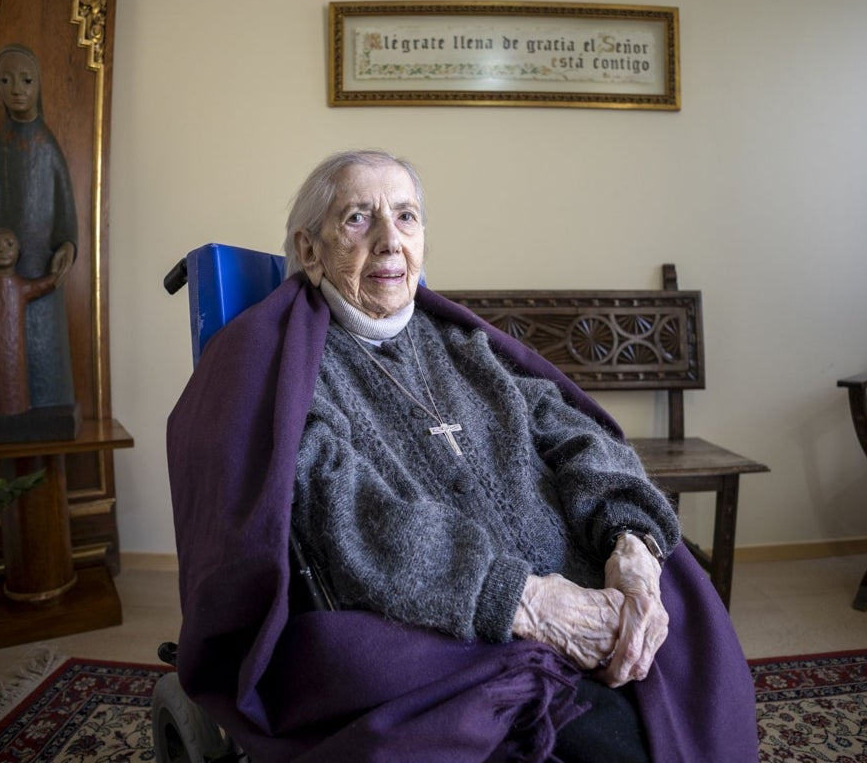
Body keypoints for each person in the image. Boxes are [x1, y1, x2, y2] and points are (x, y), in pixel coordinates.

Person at [166, 150, 758, 762]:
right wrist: (526, 600)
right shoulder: (287, 368)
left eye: (406, 216)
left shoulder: (466, 346)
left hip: (584, 582)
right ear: (309, 249)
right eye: (357, 219)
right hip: (452, 630)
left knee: (693, 660)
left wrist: (631, 544)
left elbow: (579, 436)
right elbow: (345, 515)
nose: (389, 241)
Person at [0, 43, 77, 413]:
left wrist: (67, 247)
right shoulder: (2, 145)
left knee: (46, 361)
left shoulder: (47, 145)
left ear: (39, 85)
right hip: (4, 278)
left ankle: (49, 406)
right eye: (6, 80)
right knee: (7, 359)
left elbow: (65, 206)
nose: (17, 89)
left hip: (43, 272)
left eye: (26, 80)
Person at [0, 228, 62, 417]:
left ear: (18, 251)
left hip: (13, 348)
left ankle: (16, 407)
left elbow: (39, 287)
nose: (2, 250)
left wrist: (56, 277)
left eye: (9, 244)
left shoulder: (19, 285)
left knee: (14, 379)